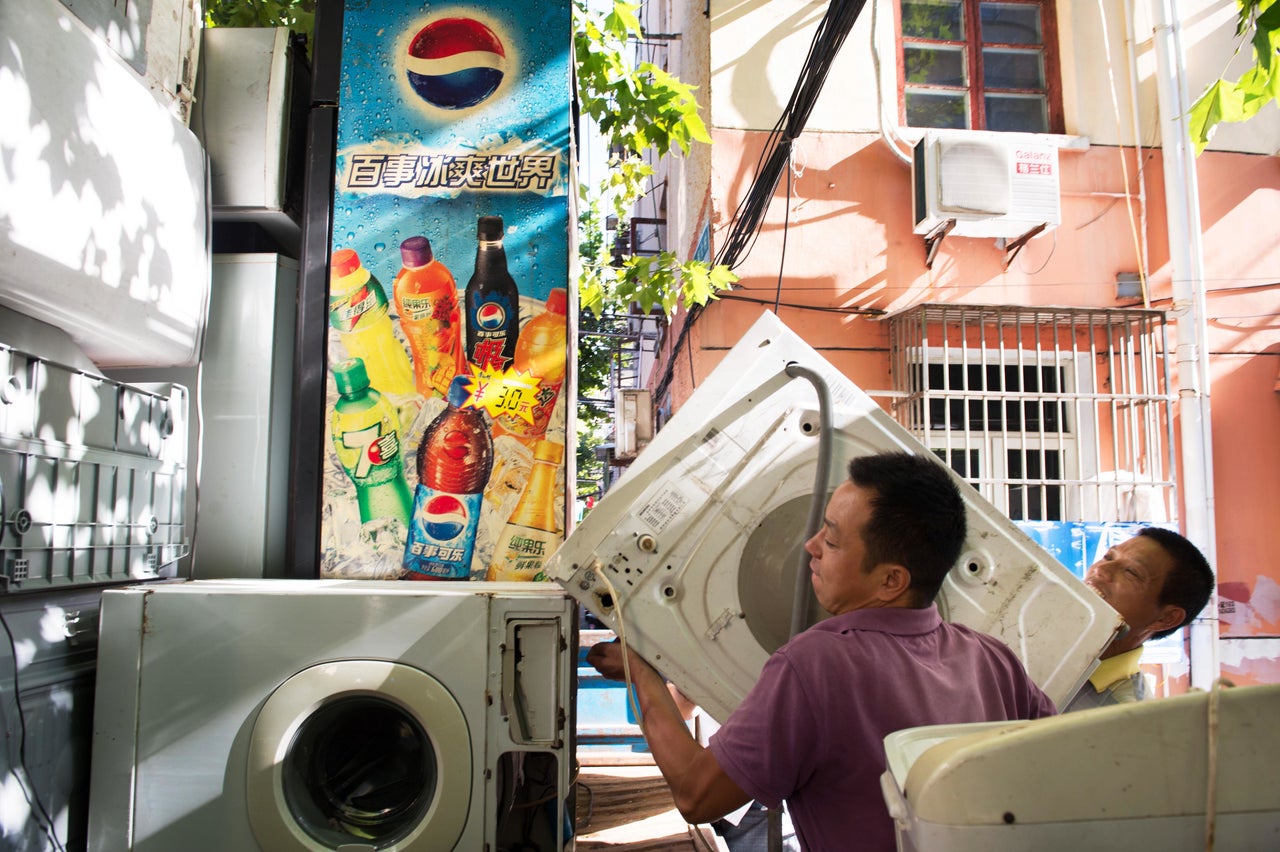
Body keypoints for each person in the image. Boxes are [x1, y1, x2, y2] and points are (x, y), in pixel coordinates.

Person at [587, 452, 1056, 852]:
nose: (810, 546)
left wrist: (640, 672)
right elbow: (1060, 772)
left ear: (891, 580)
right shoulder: (994, 660)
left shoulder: (816, 663)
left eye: (831, 540)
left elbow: (696, 795)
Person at [1063, 527, 1214, 712]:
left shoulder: (1124, 716)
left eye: (1131, 572)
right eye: (1109, 557)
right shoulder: (1039, 626)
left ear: (1166, 618)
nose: (1101, 570)